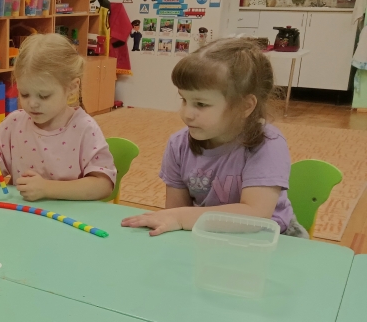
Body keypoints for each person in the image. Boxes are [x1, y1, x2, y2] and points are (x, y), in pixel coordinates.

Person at [121, 38, 308, 238]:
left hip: (272, 238)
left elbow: (255, 215)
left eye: (201, 104)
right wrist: (177, 218)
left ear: (245, 106)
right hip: (211, 235)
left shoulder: (267, 144)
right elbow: (175, 212)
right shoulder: (179, 144)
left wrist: (181, 217)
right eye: (184, 100)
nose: (186, 114)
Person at [0, 33, 116, 201]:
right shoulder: (14, 123)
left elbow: (103, 185)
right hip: (22, 213)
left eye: (44, 96)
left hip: (66, 215)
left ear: (72, 88)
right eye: (24, 94)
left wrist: (46, 188)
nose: (32, 104)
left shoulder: (84, 128)